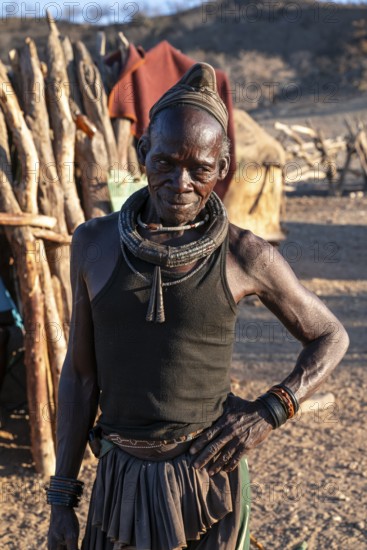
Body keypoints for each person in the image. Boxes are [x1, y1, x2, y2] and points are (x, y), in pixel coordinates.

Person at [47, 63, 349, 550]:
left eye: (200, 169)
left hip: (208, 486)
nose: (180, 182)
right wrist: (62, 498)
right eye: (164, 162)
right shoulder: (94, 244)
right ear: (142, 151)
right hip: (118, 479)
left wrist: (273, 409)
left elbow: (332, 335)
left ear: (223, 167)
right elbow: (80, 376)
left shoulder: (245, 255)